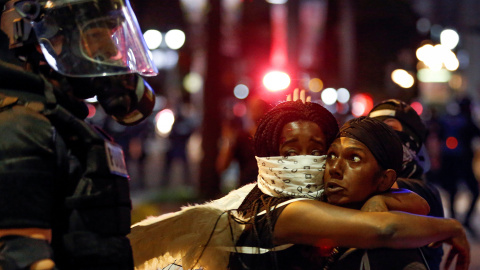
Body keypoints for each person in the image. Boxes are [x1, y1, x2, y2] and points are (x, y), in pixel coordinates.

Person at [128, 100, 469, 270]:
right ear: (267, 157)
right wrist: (451, 226)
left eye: (318, 151)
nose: (307, 163)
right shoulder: (285, 210)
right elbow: (386, 231)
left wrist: (381, 202)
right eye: (290, 153)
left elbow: (416, 200)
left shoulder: (320, 197)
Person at [0, 0, 157, 269]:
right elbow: (20, 258)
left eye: (111, 36)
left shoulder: (63, 124)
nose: (113, 52)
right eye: (95, 35)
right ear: (47, 40)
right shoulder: (23, 128)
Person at [322, 116, 430, 269]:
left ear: (385, 179)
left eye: (354, 158)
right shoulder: (313, 217)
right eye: (331, 155)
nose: (334, 168)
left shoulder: (395, 257)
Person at [368, 99, 445, 269]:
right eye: (373, 130)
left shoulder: (425, 192)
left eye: (390, 128)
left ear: (413, 140)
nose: (380, 137)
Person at [437, 97, 480, 234]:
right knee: (474, 191)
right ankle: (464, 220)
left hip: (448, 161)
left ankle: (454, 220)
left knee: (452, 191)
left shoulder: (447, 120)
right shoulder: (467, 122)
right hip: (463, 162)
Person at [216, 96, 271, 187]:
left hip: (268, 189)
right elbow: (222, 166)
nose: (255, 111)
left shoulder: (272, 138)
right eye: (252, 108)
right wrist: (228, 141)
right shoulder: (241, 137)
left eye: (259, 108)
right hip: (246, 189)